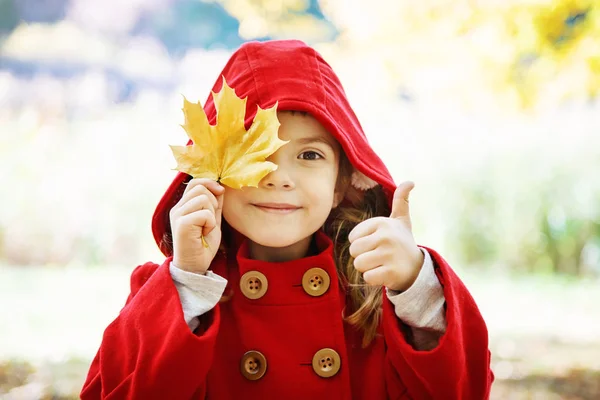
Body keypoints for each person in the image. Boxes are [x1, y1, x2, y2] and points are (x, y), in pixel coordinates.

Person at [81, 40, 493, 399]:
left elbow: (462, 390)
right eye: (255, 153)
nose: (279, 177)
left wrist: (416, 286)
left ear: (342, 184)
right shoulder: (171, 295)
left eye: (310, 155)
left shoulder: (380, 298)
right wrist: (187, 280)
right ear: (211, 170)